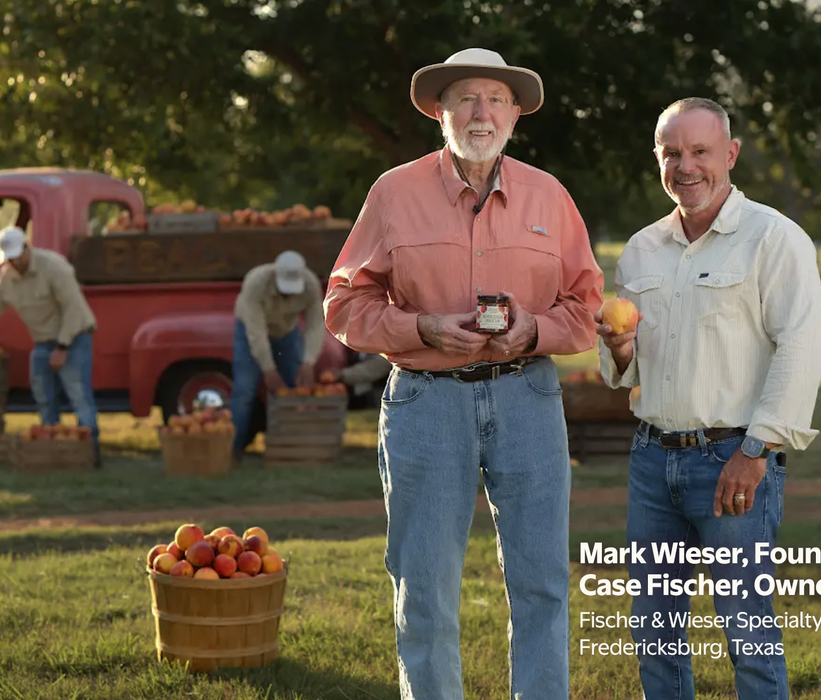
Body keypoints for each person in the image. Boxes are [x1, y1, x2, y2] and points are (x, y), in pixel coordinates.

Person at [323, 47, 605, 700]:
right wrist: (419, 329)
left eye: (495, 99)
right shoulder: (392, 193)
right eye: (467, 98)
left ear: (513, 114)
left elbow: (585, 307)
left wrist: (532, 329)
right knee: (422, 583)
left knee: (540, 582)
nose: (482, 112)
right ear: (440, 111)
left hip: (527, 398)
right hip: (426, 403)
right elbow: (342, 303)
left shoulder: (549, 196)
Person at [596, 97, 821, 700]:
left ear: (730, 154)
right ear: (658, 159)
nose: (685, 165)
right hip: (651, 462)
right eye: (672, 153)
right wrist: (620, 348)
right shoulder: (642, 249)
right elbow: (625, 369)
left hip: (734, 460)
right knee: (656, 633)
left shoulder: (773, 238)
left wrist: (755, 453)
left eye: (700, 151)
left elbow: (800, 350)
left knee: (747, 632)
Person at [0, 226, 100, 464]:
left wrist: (63, 347)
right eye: (9, 259)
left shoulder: (55, 267)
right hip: (44, 342)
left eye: (16, 257)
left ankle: (90, 454)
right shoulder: (7, 277)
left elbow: (73, 309)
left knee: (79, 397)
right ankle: (52, 450)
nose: (13, 263)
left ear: (27, 248)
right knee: (43, 396)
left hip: (73, 336)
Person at [230, 250, 326, 461]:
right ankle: (233, 452)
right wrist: (268, 368)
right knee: (244, 390)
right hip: (250, 333)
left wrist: (308, 361)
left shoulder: (310, 285)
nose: (289, 295)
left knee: (296, 388)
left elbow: (315, 325)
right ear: (275, 276)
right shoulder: (256, 282)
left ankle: (292, 448)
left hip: (287, 333)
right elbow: (256, 331)